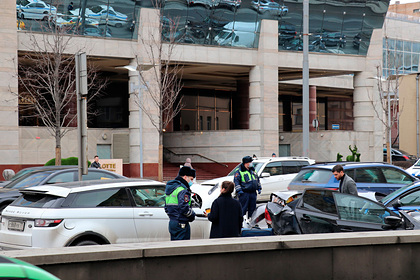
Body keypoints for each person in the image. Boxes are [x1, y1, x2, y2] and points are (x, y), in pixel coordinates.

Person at [164, 166, 196, 240]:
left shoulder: (171, 188)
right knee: (183, 248)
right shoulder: (182, 190)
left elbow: (166, 207)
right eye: (191, 179)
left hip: (172, 222)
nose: (192, 182)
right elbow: (184, 207)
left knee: (175, 247)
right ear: (185, 177)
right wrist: (192, 215)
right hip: (181, 223)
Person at [234, 156, 261, 223]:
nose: (251, 163)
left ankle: (252, 222)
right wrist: (239, 190)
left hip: (253, 193)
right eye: (250, 162)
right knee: (243, 208)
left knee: (253, 209)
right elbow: (236, 181)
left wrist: (259, 187)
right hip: (244, 193)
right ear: (246, 163)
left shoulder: (253, 170)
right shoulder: (239, 171)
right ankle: (241, 223)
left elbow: (257, 180)